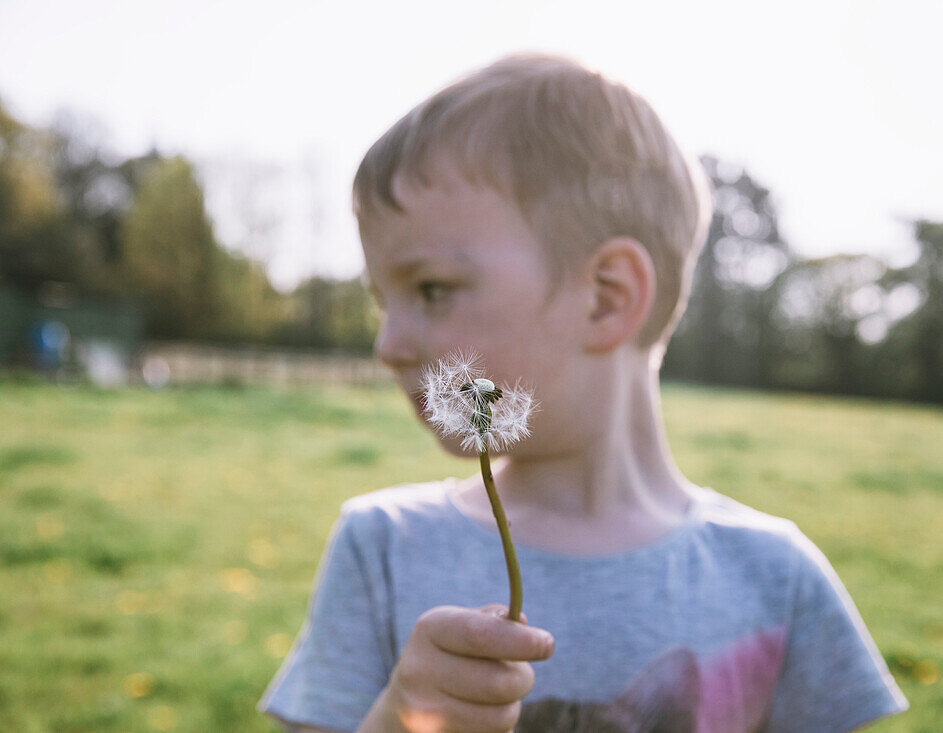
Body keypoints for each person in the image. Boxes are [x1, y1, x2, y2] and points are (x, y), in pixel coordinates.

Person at [259, 52, 910, 733]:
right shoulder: (380, 550)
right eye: (381, 301)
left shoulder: (779, 579)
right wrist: (400, 717)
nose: (388, 344)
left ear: (606, 297)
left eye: (431, 289)